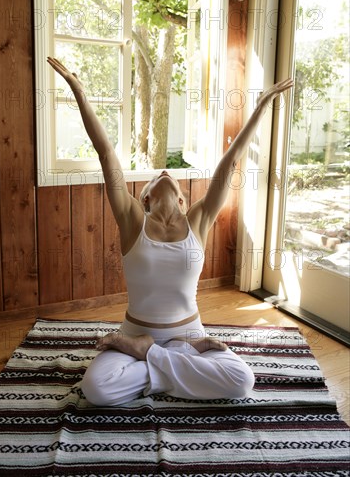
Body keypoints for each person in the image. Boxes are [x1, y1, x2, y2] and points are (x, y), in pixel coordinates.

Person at [47, 57, 293, 406]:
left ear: (182, 197)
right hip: (135, 332)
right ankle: (169, 362)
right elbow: (106, 154)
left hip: (190, 334)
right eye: (154, 176)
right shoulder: (133, 219)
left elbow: (232, 160)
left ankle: (150, 359)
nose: (163, 171)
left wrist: (261, 106)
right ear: (144, 197)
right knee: (96, 389)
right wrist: (81, 95)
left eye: (171, 177)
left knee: (242, 381)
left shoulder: (199, 220)